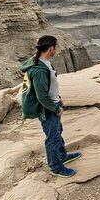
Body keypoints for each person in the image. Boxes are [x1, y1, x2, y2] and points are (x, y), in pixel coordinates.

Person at [20, 35, 81, 177]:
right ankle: (56, 167)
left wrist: (58, 99)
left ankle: (62, 156)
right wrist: (56, 108)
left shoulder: (43, 62)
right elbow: (42, 96)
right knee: (52, 137)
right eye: (56, 47)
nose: (57, 50)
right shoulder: (39, 70)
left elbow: (50, 87)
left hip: (54, 103)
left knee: (57, 131)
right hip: (47, 109)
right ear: (50, 48)